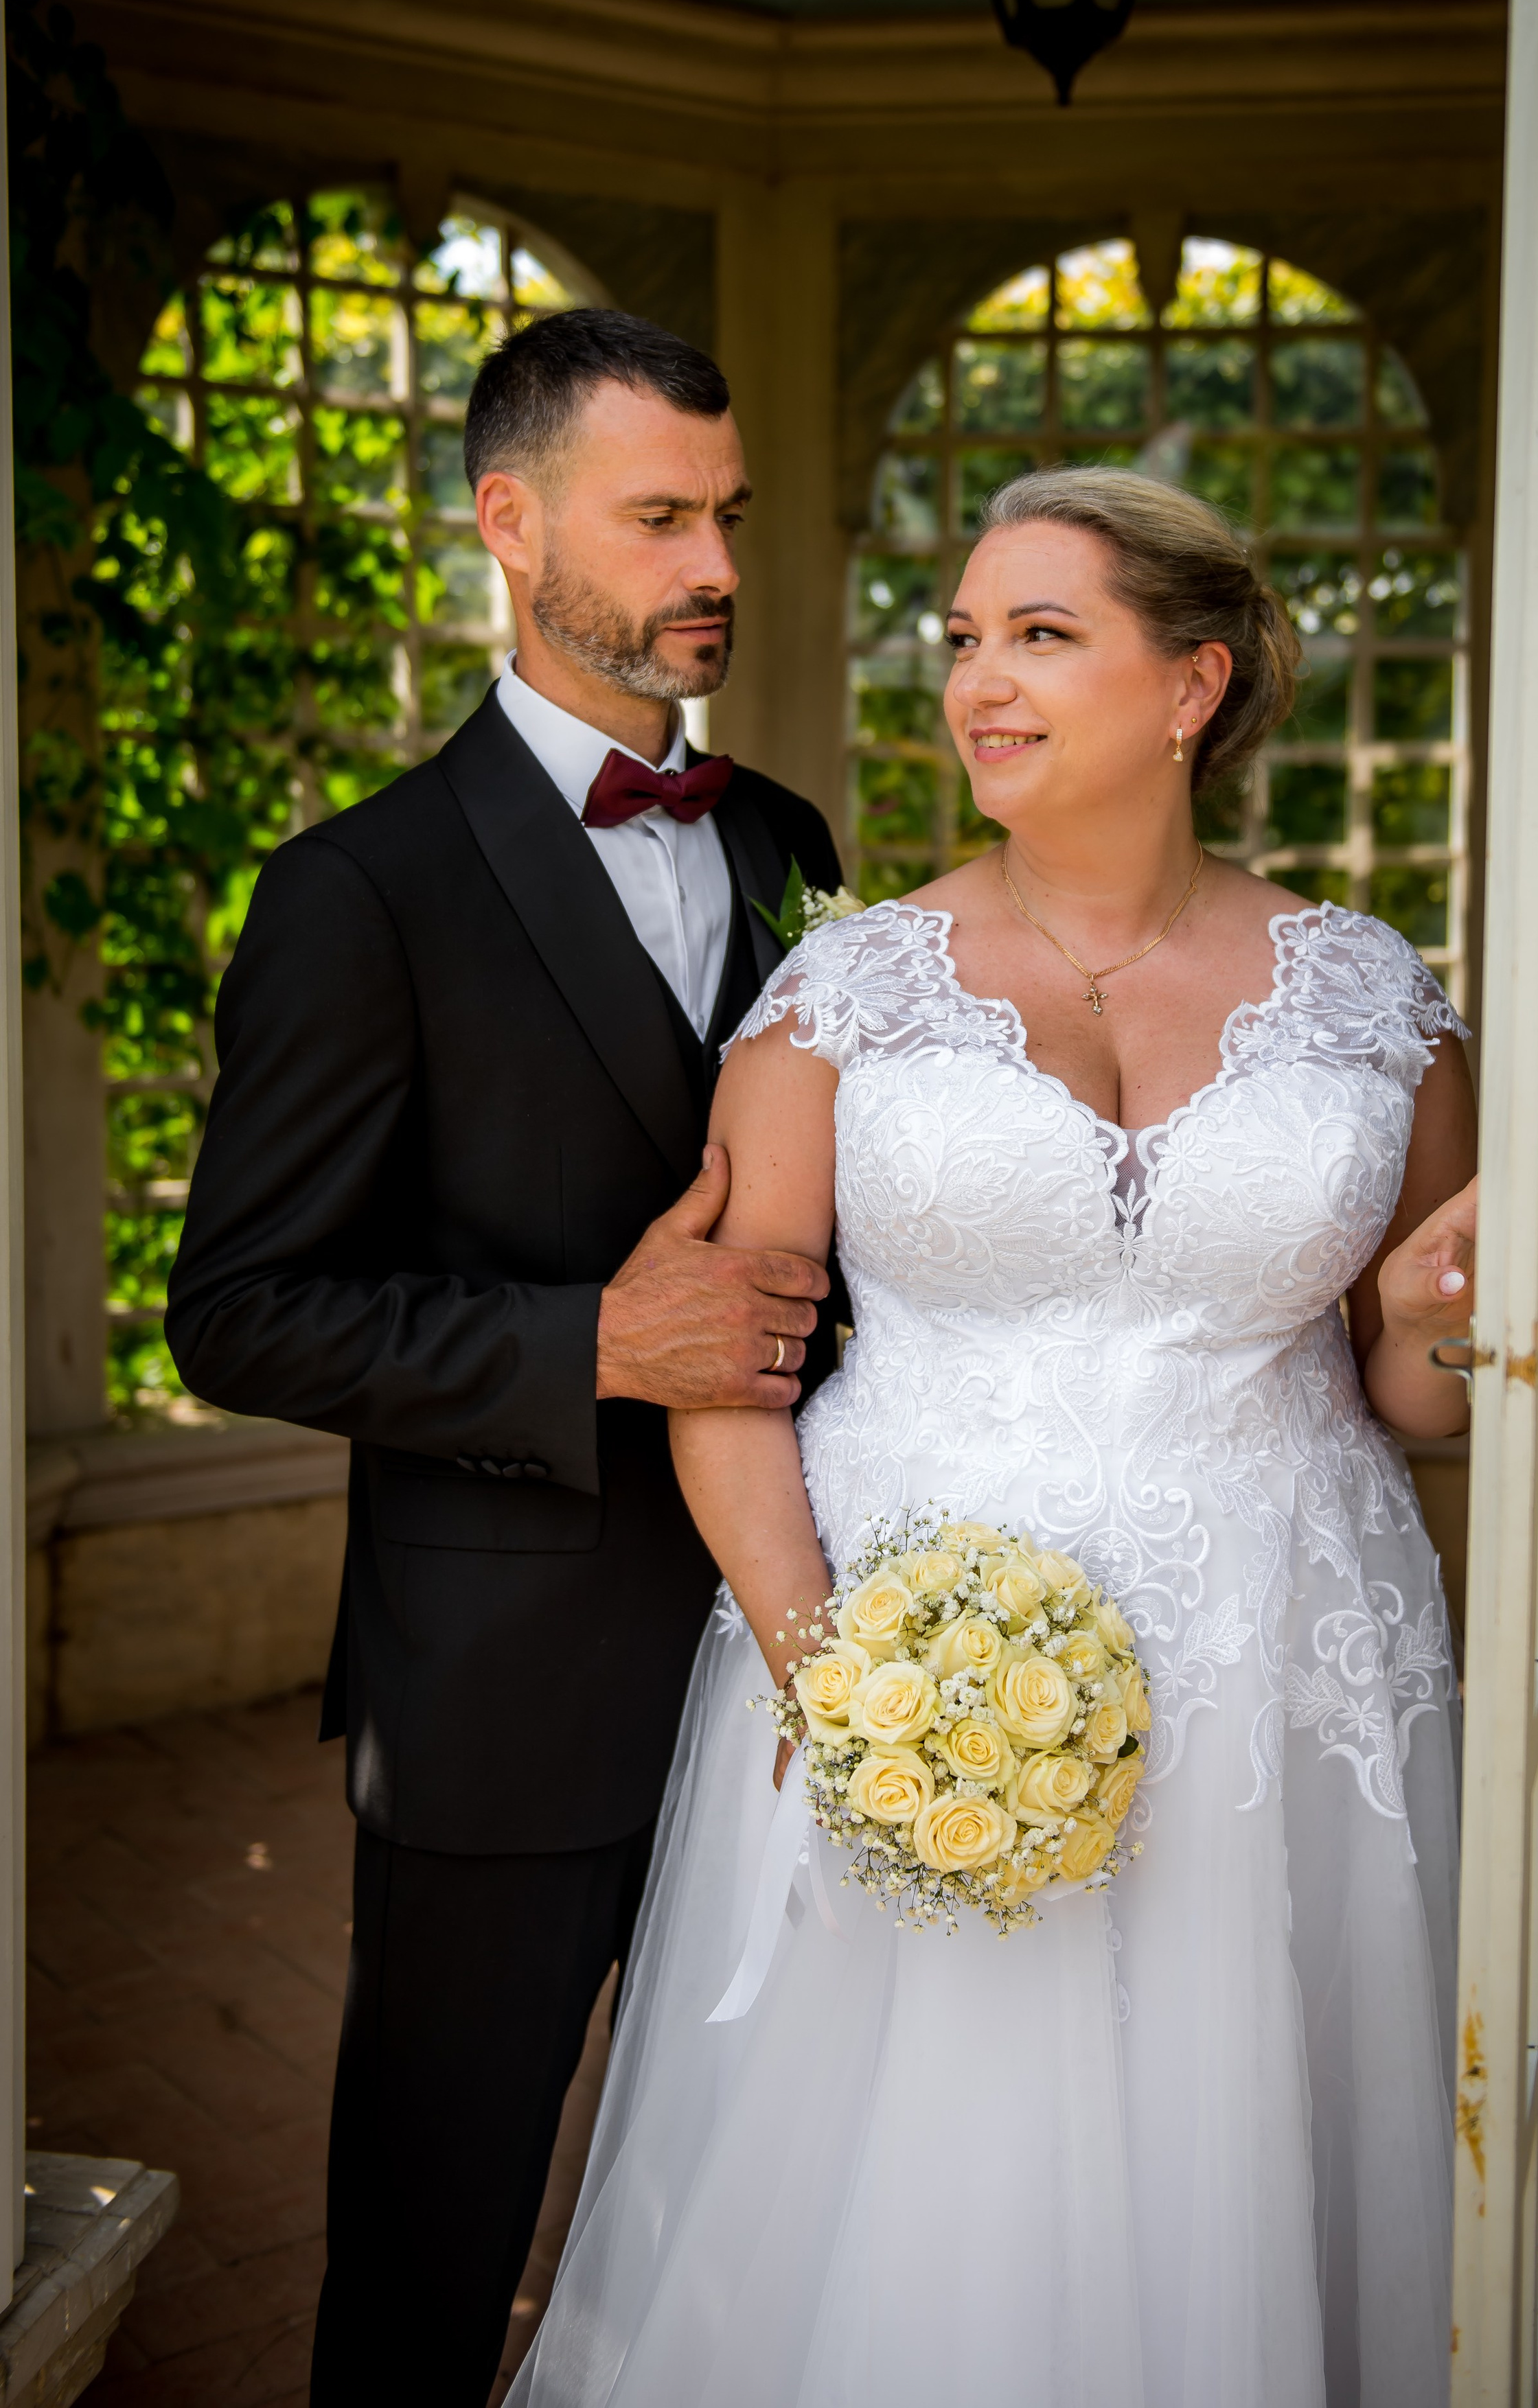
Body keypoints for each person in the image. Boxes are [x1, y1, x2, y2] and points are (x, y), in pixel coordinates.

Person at [507, 467, 1538, 2408]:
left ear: (1193, 685)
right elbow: (728, 1366)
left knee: (1262, 2159)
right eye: (963, 641)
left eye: (1042, 634)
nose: (979, 684)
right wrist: (842, 1685)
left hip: (1282, 1675)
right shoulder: (840, 990)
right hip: (904, 1657)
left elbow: (1404, 1397)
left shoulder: (1382, 1006)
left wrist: (1451, 1299)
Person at [163, 307, 843, 2407]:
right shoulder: (354, 890)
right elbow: (241, 1303)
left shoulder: (784, 843)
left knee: (768, 2199)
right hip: (500, 1692)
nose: (713, 559)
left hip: (782, 1659)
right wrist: (588, 1343)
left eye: (727, 514)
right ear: (509, 520)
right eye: (660, 517)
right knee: (435, 2240)